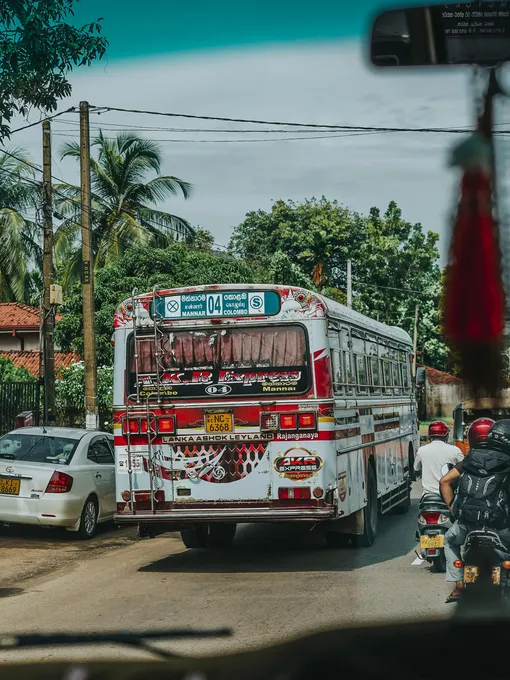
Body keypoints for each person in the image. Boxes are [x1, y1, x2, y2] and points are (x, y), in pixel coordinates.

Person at [442, 419, 510, 604]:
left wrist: (453, 508)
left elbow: (444, 481)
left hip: (468, 526)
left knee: (448, 541)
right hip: (500, 529)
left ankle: (458, 586)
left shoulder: (470, 458)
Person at [413, 421, 464, 497]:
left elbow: (416, 469)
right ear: (446, 435)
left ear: (430, 436)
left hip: (428, 496)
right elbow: (465, 469)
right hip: (449, 495)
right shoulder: (455, 450)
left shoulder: (422, 450)